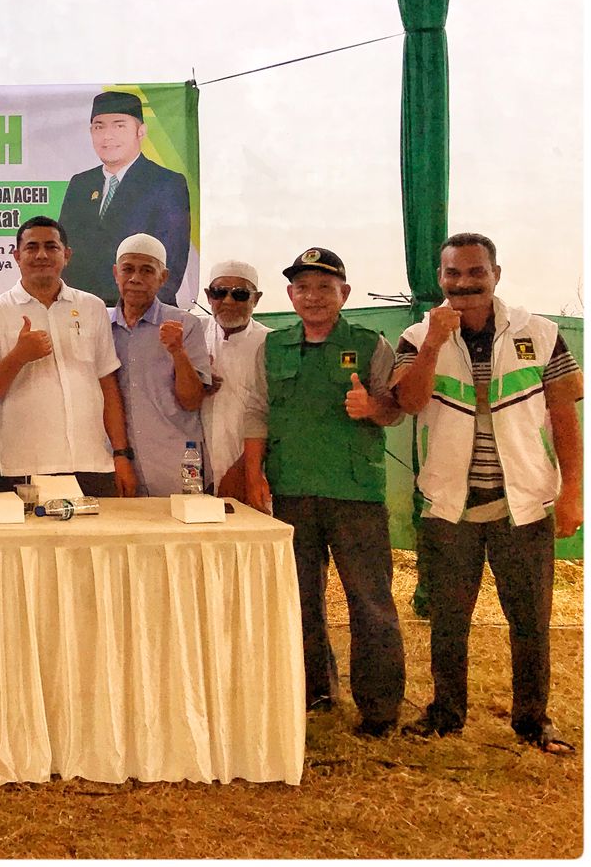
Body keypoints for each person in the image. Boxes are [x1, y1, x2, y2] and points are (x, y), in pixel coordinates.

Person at [392, 232, 582, 753]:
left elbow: (564, 417)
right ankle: (446, 713)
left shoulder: (539, 333)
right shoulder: (416, 336)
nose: (464, 283)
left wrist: (572, 491)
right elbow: (408, 403)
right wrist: (433, 343)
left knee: (530, 621)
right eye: (453, 273)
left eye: (476, 272)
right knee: (448, 621)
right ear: (440, 278)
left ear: (496, 274)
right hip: (448, 506)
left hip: (524, 504)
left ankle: (533, 720)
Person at [242, 247, 406, 737]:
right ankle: (314, 691)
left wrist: (372, 408)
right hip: (291, 490)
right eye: (303, 287)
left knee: (370, 602)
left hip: (354, 494)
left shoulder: (370, 344)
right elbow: (256, 412)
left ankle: (379, 709)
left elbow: (395, 409)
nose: (313, 296)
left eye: (324, 287)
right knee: (299, 599)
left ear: (344, 293)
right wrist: (254, 474)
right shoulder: (273, 347)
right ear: (290, 295)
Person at [0, 216, 136, 496]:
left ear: (66, 255)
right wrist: (18, 356)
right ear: (16, 256)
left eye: (51, 247)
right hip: (24, 466)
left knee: (101, 528)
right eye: (32, 247)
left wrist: (121, 454)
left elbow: (108, 386)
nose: (42, 255)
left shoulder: (92, 307)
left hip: (92, 463)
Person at [57, 90, 192, 305]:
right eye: (99, 127)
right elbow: (64, 254)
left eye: (119, 126)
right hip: (82, 312)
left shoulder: (166, 183)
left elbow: (170, 265)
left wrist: (132, 316)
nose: (107, 136)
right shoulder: (80, 183)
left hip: (142, 313)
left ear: (141, 131)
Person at [108, 233, 211, 496]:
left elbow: (192, 401)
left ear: (163, 277)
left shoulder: (185, 324)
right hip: (118, 465)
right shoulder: (101, 326)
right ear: (116, 273)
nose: (135, 279)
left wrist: (178, 352)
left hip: (175, 464)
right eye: (128, 269)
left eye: (146, 270)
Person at [198, 260, 270, 502]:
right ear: (208, 296)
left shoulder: (270, 343)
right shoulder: (194, 333)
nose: (228, 301)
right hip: (196, 469)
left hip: (250, 470)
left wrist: (244, 469)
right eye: (219, 292)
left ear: (256, 299)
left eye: (240, 294)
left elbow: (273, 416)